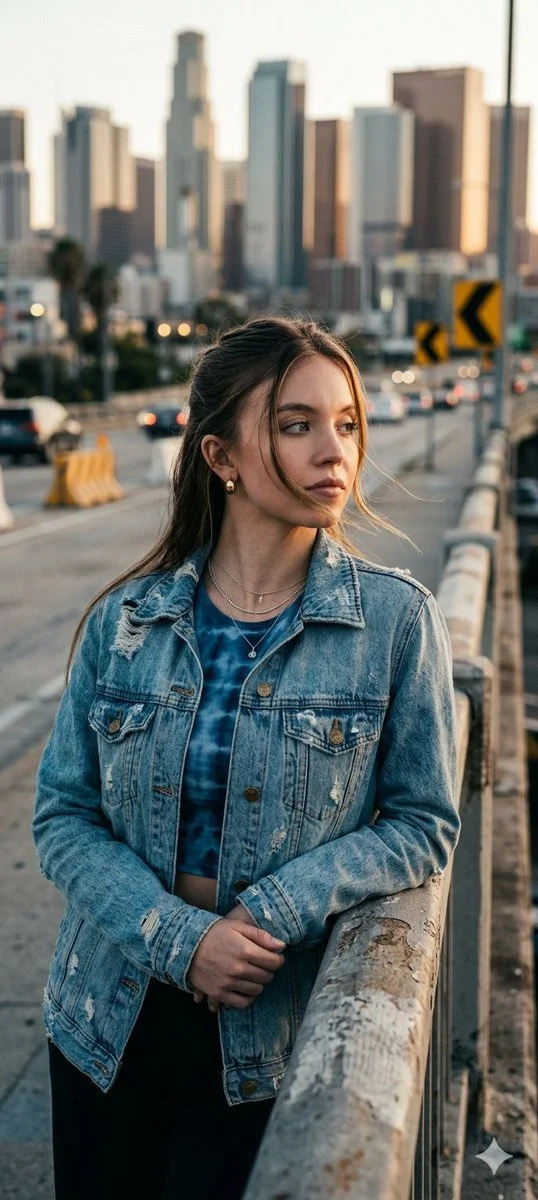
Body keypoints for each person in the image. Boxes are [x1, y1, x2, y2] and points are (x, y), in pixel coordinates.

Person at [32, 315, 461, 1200]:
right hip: (106, 1019)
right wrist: (182, 940)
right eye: (296, 424)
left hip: (269, 1035)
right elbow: (63, 819)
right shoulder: (127, 622)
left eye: (345, 424)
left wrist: (276, 908)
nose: (332, 450)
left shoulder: (394, 623)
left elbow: (423, 823)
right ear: (221, 456)